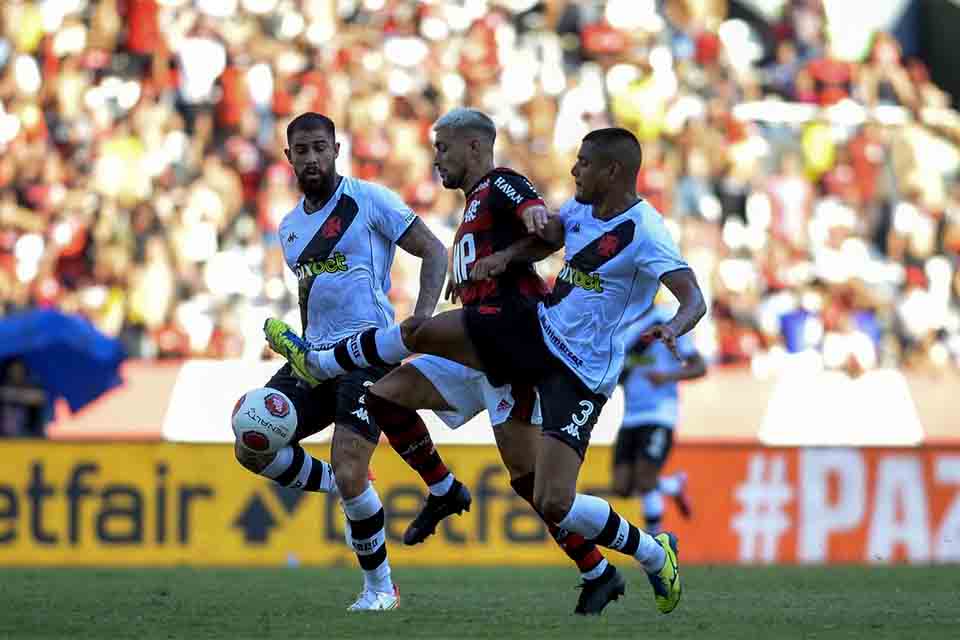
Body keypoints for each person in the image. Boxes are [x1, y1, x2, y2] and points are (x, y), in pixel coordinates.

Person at [266, 127, 706, 614]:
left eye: (443, 148)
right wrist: (505, 255)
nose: (436, 159)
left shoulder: (507, 186)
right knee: (389, 397)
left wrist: (675, 329)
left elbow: (690, 296)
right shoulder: (566, 209)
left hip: (542, 353)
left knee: (421, 339)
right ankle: (454, 494)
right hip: (516, 345)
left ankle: (322, 361)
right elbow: (548, 237)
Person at [233, 112, 447, 611]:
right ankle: (340, 483)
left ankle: (380, 589)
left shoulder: (367, 200)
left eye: (319, 148)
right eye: (301, 150)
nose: (311, 158)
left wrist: (420, 322)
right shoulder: (288, 229)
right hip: (315, 359)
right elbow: (312, 294)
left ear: (336, 149)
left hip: (367, 353)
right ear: (288, 158)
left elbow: (434, 252)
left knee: (351, 466)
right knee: (251, 446)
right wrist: (303, 346)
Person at [613, 299, 706, 535]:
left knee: (645, 479)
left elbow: (700, 367)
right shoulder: (621, 322)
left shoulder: (667, 322)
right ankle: (672, 485)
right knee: (621, 486)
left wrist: (667, 377)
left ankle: (656, 544)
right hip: (631, 414)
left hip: (660, 412)